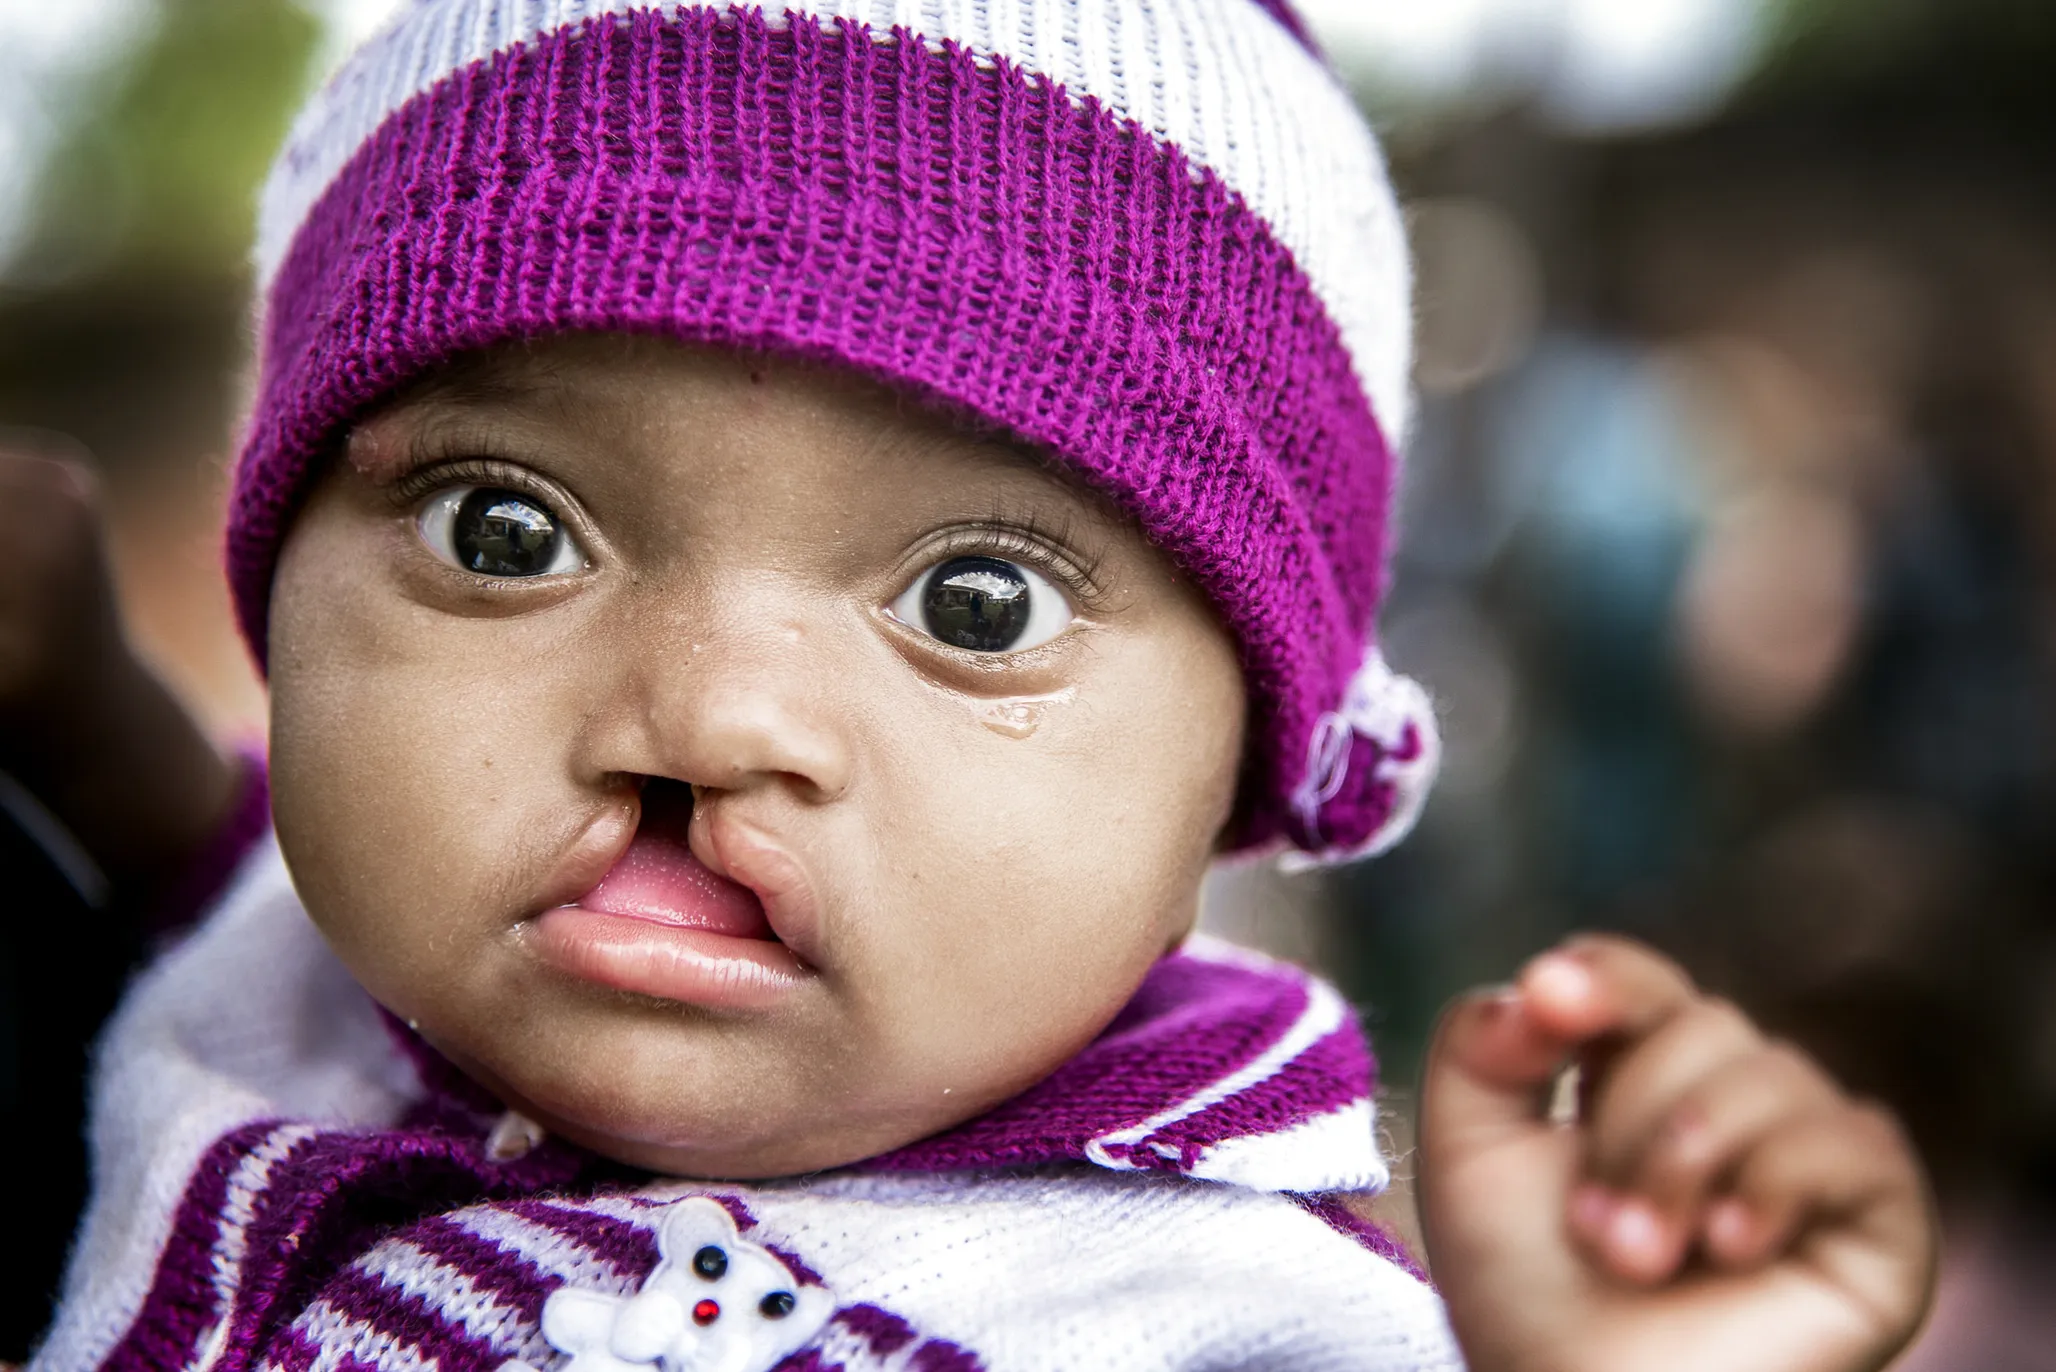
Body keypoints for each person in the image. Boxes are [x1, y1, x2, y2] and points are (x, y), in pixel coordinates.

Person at [12, 3, 1935, 1369]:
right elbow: (235, 890)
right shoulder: (299, 991)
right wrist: (81, 706)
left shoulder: (1223, 1316)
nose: (707, 719)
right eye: (507, 533)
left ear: (1243, 773)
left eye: (982, 602)